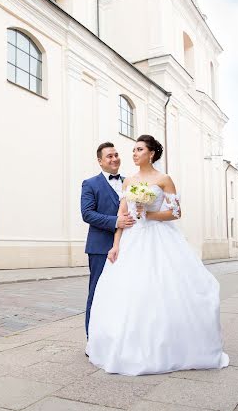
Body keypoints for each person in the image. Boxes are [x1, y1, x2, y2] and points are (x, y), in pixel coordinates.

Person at [86, 134, 229, 375]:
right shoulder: (128, 181)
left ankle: (169, 343)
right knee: (130, 290)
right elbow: (123, 215)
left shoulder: (164, 179)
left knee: (163, 287)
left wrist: (149, 214)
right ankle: (126, 345)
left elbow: (176, 212)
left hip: (160, 237)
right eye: (133, 150)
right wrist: (116, 244)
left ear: (151, 153)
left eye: (139, 149)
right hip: (133, 238)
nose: (134, 154)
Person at [81, 142, 135, 337]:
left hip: (128, 246)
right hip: (100, 247)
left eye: (116, 155)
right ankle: (92, 339)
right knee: (96, 293)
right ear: (100, 161)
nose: (114, 159)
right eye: (109, 156)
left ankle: (117, 337)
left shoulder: (131, 182)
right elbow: (87, 214)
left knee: (123, 293)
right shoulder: (90, 184)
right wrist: (116, 221)